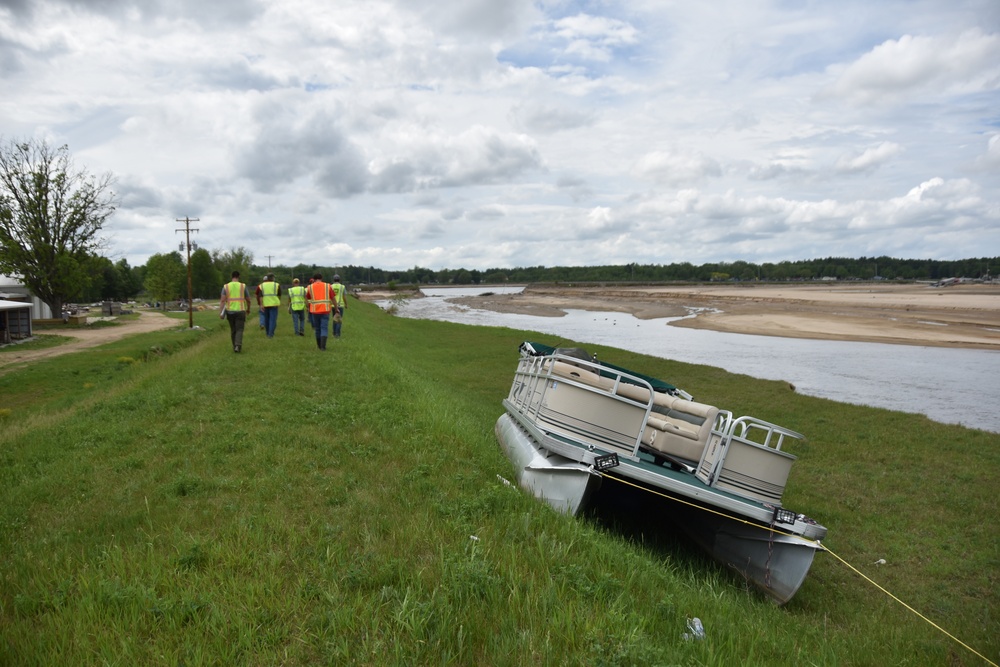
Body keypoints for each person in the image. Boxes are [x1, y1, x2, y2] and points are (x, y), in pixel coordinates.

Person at [305, 272, 341, 350]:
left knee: (317, 328)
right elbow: (333, 298)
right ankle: (323, 347)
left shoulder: (310, 287)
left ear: (314, 279)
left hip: (314, 311)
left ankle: (319, 345)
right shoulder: (327, 286)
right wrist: (336, 308)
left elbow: (307, 298)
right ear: (321, 278)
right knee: (324, 328)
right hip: (325, 310)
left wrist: (308, 307)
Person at [220, 270, 251, 353]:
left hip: (230, 311)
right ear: (238, 277)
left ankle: (234, 346)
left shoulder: (226, 286)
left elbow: (222, 300)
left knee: (233, 329)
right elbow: (248, 299)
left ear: (232, 276)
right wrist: (248, 308)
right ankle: (238, 345)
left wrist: (221, 313)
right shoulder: (243, 286)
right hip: (240, 311)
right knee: (239, 329)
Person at [257, 273, 281, 338]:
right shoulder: (276, 285)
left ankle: (268, 333)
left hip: (265, 304)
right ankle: (270, 334)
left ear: (267, 278)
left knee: (266, 320)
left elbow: (260, 296)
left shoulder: (261, 285)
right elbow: (279, 295)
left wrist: (261, 304)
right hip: (274, 304)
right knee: (272, 320)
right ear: (273, 278)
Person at [330, 273, 347, 339]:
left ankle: (334, 332)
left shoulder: (331, 286)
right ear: (339, 280)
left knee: (334, 319)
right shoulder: (342, 287)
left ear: (333, 280)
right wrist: (346, 304)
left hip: (333, 305)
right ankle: (337, 334)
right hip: (340, 305)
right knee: (339, 320)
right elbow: (344, 296)